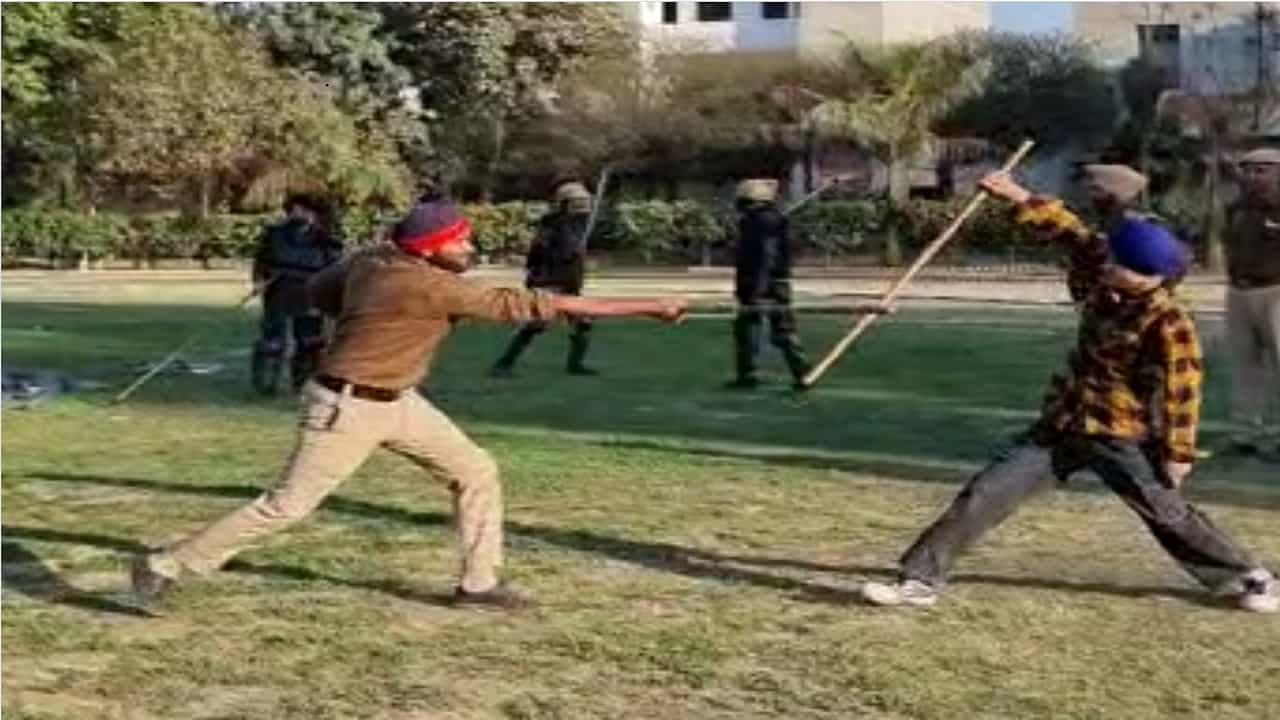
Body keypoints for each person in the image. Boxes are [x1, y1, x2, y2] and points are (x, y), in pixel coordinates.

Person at [131, 195, 688, 610]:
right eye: (460, 240)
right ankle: (166, 564)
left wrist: (362, 323)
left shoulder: (371, 258)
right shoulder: (431, 286)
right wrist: (649, 307)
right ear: (429, 247)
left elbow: (319, 291)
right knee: (286, 507)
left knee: (476, 471)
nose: (469, 248)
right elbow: (547, 303)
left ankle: (478, 585)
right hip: (347, 408)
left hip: (398, 401)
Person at [860, 165, 1278, 613]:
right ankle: (919, 580)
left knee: (1167, 513)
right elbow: (1071, 232)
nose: (1110, 268)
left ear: (1153, 276)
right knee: (986, 493)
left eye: (1124, 267)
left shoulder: (1169, 322)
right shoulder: (1105, 276)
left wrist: (1178, 454)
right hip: (1064, 422)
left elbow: (1183, 391)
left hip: (1121, 434)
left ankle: (1249, 578)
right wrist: (1014, 194)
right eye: (1112, 260)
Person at [491, 180, 598, 377]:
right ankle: (503, 365)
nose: (582, 206)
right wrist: (565, 255)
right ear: (565, 203)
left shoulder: (577, 226)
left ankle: (575, 365)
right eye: (577, 201)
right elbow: (538, 255)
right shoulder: (551, 225)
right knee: (536, 324)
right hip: (549, 283)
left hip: (569, 284)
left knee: (583, 322)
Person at [250, 193, 343, 395]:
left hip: (310, 292)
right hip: (278, 289)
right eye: (295, 209)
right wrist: (259, 280)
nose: (298, 214)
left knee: (309, 341)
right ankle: (265, 384)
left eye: (303, 210)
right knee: (272, 340)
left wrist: (330, 295)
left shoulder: (326, 240)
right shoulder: (274, 235)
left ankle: (302, 384)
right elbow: (261, 260)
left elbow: (334, 268)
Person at [726, 178, 812, 390]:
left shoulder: (758, 221)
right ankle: (799, 370)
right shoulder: (772, 219)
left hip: (760, 281)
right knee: (772, 327)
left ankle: (751, 373)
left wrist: (758, 288)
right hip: (774, 281)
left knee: (754, 327)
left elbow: (766, 255)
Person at [1223, 147, 1280, 457]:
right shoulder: (1237, 209)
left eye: (1262, 170)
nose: (1254, 177)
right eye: (1248, 170)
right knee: (1244, 365)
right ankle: (1245, 432)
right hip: (1240, 291)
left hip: (1275, 290)